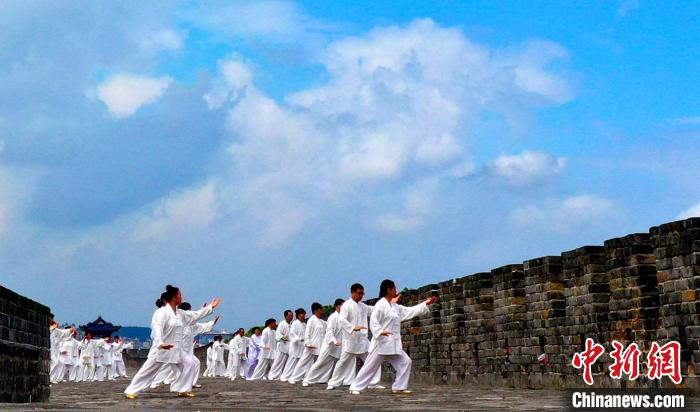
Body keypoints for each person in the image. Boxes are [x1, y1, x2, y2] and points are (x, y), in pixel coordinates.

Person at [124, 285, 221, 399]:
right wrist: (160, 343)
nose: (182, 297)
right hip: (161, 349)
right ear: (174, 297)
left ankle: (182, 389)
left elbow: (195, 315)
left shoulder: (181, 313)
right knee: (148, 371)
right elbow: (157, 328)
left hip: (176, 349)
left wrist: (210, 307)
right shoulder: (161, 313)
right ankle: (131, 390)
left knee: (190, 363)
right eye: (180, 295)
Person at [349, 279, 438, 395]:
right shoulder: (380, 305)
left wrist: (425, 303)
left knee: (406, 362)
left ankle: (399, 386)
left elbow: (408, 311)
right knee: (370, 366)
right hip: (381, 343)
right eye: (394, 288)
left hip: (393, 343)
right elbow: (374, 320)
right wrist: (380, 332)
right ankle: (355, 387)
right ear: (388, 290)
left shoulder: (394, 306)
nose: (396, 290)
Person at [327, 283, 383, 390]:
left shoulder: (363, 306)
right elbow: (342, 319)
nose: (361, 295)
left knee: (374, 359)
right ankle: (333, 382)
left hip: (362, 340)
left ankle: (373, 382)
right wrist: (352, 327)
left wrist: (388, 303)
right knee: (343, 362)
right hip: (351, 340)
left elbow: (374, 309)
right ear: (352, 293)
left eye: (362, 293)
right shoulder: (346, 306)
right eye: (359, 293)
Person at [303, 299, 345, 386]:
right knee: (320, 362)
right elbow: (329, 331)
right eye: (342, 305)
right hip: (329, 344)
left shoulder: (341, 317)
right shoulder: (332, 317)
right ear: (337, 306)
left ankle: (323, 379)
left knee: (329, 363)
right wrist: (334, 340)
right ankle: (307, 380)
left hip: (337, 345)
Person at [288, 303, 326, 384]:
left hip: (319, 345)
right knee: (303, 362)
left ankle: (312, 378)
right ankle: (293, 378)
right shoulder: (311, 320)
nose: (322, 311)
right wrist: (308, 343)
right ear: (316, 310)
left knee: (317, 363)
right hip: (311, 345)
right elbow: (307, 333)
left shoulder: (321, 321)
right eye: (320, 309)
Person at [280, 308, 306, 382]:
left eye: (304, 314)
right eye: (302, 314)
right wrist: (298, 339)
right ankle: (285, 376)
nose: (304, 316)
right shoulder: (295, 323)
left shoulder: (304, 324)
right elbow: (292, 333)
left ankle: (296, 376)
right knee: (292, 361)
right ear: (298, 315)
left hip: (302, 346)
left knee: (300, 362)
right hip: (295, 345)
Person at [267, 310, 292, 380]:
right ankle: (271, 375)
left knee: (285, 362)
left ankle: (280, 375)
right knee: (278, 361)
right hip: (282, 345)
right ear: (286, 316)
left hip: (288, 346)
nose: (291, 317)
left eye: (292, 316)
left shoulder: (291, 324)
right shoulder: (282, 323)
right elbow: (278, 333)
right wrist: (283, 338)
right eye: (290, 316)